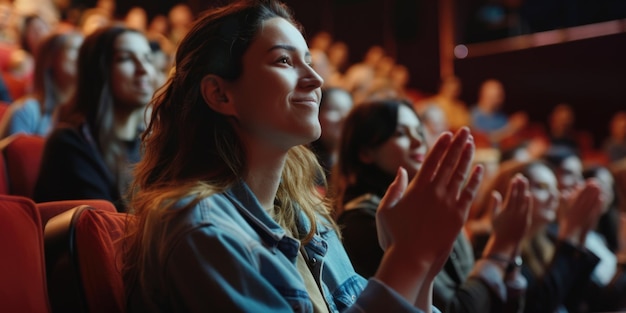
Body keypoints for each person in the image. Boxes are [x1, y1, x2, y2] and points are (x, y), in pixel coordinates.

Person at [122, 1, 483, 312]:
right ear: (220, 94)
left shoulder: (309, 219)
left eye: (309, 61)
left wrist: (424, 262)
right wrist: (409, 257)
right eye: (283, 61)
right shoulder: (199, 228)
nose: (315, 79)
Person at [331, 99, 529, 313]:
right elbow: (452, 309)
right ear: (365, 152)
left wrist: (510, 261)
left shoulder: (431, 206)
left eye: (418, 130)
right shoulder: (364, 220)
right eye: (400, 134)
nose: (418, 140)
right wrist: (499, 251)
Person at [34, 26, 155, 212]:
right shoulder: (69, 143)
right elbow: (105, 230)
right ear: (99, 71)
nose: (143, 69)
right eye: (125, 59)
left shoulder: (148, 143)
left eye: (148, 58)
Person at [476, 160, 607, 313]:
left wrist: (581, 235)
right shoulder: (489, 241)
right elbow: (537, 307)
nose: (555, 195)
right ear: (512, 191)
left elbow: (573, 303)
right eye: (542, 187)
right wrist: (569, 236)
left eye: (555, 188)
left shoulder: (545, 240)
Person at [0, 31, 83, 138]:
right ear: (50, 59)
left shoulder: (85, 116)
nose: (82, 56)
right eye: (75, 49)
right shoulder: (27, 111)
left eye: (84, 50)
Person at [309, 87, 353, 182]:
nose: (344, 117)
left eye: (349, 111)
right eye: (334, 109)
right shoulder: (303, 165)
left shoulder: (355, 166)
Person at [469, 79, 527, 147]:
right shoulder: (473, 115)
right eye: (497, 96)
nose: (501, 99)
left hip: (503, 153)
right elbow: (485, 139)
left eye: (501, 95)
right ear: (484, 95)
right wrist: (512, 127)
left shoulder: (501, 117)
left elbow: (511, 140)